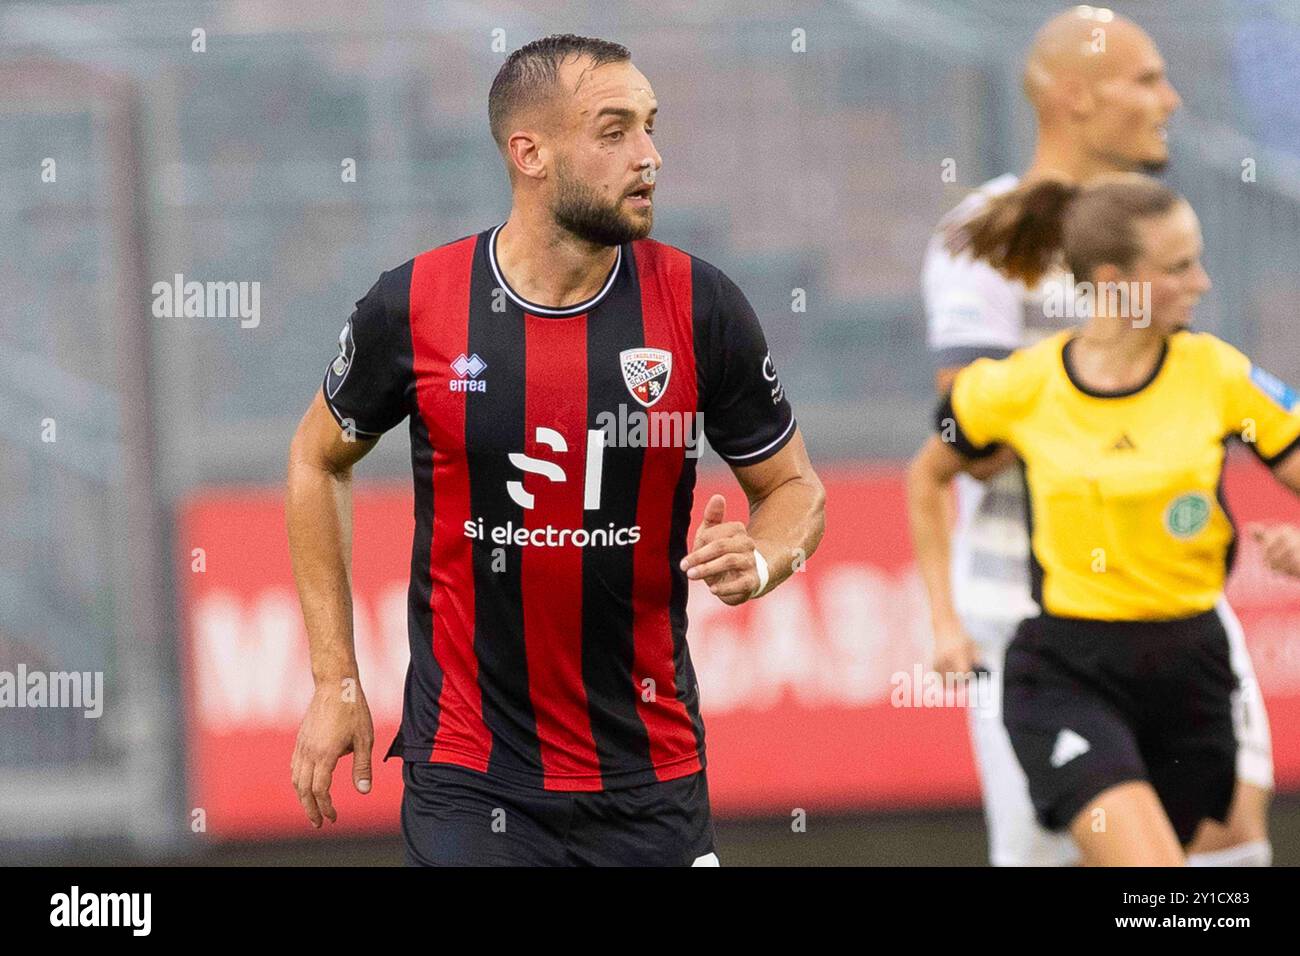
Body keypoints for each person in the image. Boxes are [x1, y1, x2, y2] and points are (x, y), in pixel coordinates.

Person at [285, 34, 825, 866]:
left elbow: (794, 488)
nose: (648, 156)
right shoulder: (416, 303)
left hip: (650, 776)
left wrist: (761, 558)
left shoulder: (700, 303)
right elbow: (318, 460)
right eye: (614, 132)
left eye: (650, 128)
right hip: (470, 770)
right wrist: (336, 680)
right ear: (528, 153)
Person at [921, 5, 1275, 866]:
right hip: (1034, 614)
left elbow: (1196, 394)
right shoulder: (984, 238)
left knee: (1228, 844)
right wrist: (1097, 385)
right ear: (1075, 97)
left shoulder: (1155, 222)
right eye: (1147, 79)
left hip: (1177, 601)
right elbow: (963, 428)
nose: (1172, 99)